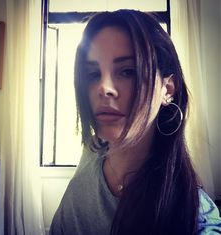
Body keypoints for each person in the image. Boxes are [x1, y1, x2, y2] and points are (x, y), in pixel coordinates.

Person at [50, 10, 221, 235]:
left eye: (128, 71)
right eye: (93, 74)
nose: (104, 88)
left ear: (167, 89)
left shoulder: (196, 218)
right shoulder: (92, 150)